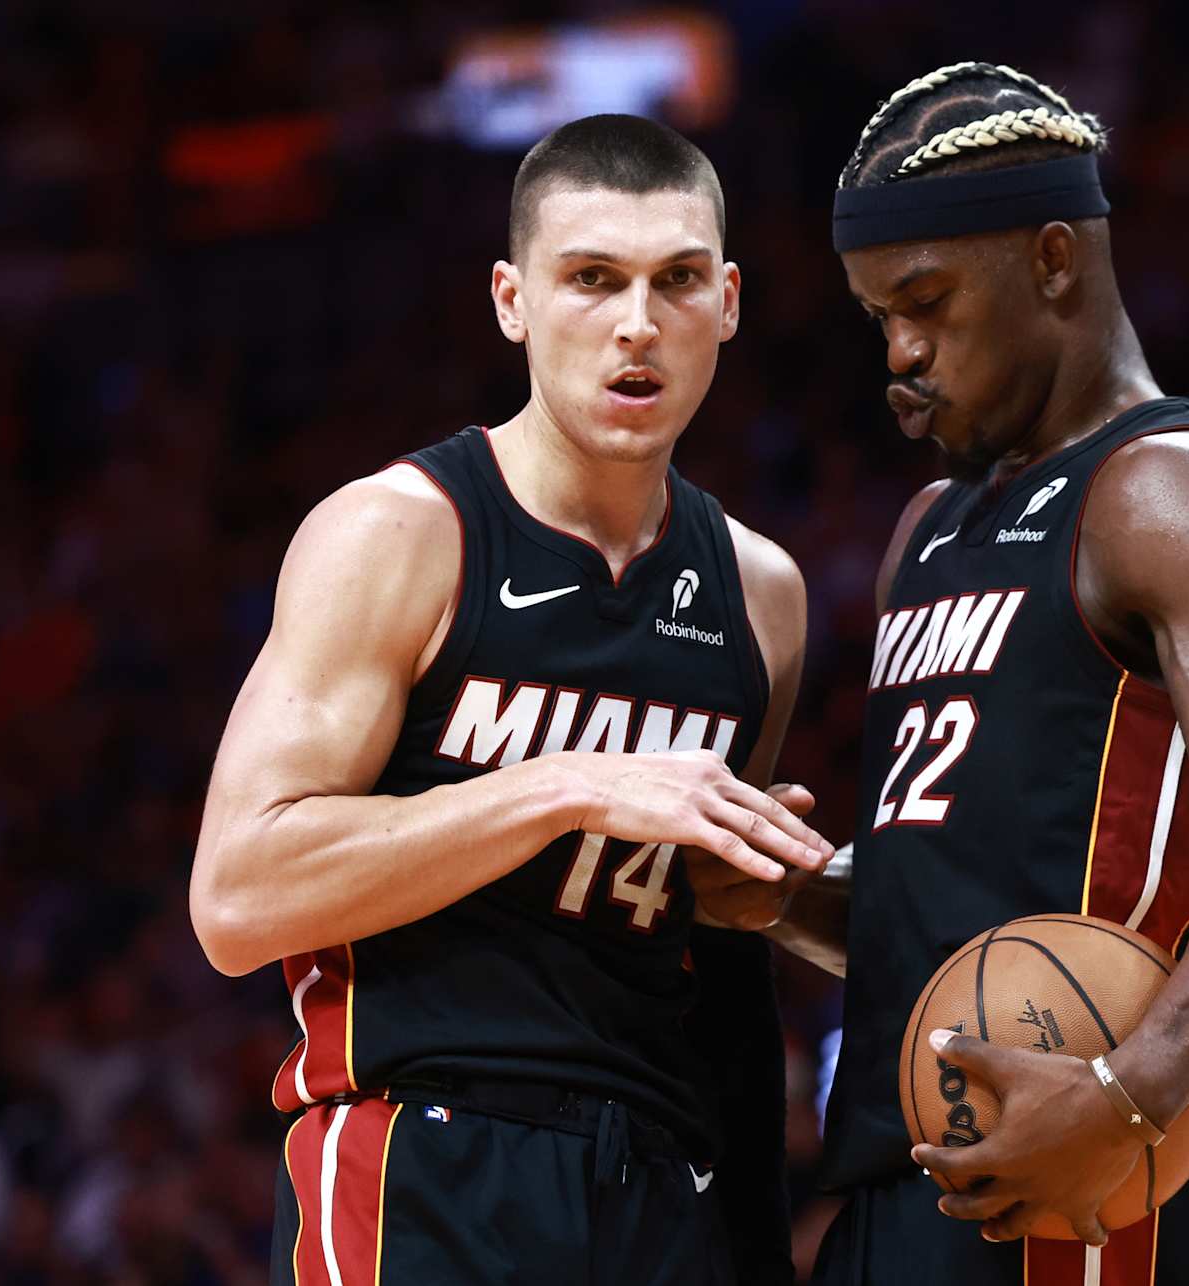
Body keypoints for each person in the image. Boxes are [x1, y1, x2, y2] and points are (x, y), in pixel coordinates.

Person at [187, 113, 832, 1286]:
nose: (638, 322)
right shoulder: (397, 532)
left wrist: (759, 892)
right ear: (512, 299)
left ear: (729, 301)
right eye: (592, 279)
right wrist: (568, 784)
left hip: (660, 1180)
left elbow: (721, 965)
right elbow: (236, 892)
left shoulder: (762, 591)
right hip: (426, 1154)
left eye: (677, 280)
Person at [761, 62, 1189, 1284]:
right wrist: (778, 888)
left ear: (1051, 261)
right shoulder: (924, 527)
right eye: (879, 316)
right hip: (897, 1181)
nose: (903, 351)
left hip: (1089, 1188)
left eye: (925, 300)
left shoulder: (1167, 494)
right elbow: (951, 902)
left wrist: (1128, 1091)